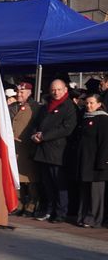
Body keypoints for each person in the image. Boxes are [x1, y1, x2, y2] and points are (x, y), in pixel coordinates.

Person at [31, 79, 78, 223]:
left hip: (58, 152)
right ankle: (49, 210)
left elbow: (67, 128)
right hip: (43, 151)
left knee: (59, 184)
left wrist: (44, 136)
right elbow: (36, 123)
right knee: (47, 184)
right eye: (53, 90)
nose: (55, 92)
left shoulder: (69, 107)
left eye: (58, 89)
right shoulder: (46, 106)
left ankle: (60, 213)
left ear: (65, 90)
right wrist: (34, 134)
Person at [76, 94, 108, 228]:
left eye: (92, 103)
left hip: (97, 163)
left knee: (96, 193)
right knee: (85, 191)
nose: (88, 106)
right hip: (85, 161)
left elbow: (105, 142)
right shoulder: (85, 118)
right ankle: (83, 216)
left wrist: (102, 162)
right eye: (87, 103)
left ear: (99, 104)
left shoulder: (103, 119)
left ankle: (94, 218)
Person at [12, 82, 39, 216]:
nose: (19, 94)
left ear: (29, 92)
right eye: (18, 91)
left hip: (27, 146)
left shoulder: (35, 107)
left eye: (22, 92)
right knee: (17, 178)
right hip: (14, 147)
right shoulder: (14, 106)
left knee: (30, 179)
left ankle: (32, 205)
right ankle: (19, 203)